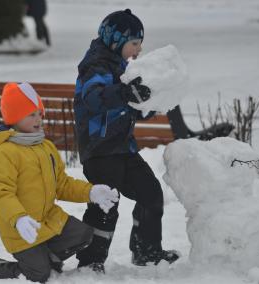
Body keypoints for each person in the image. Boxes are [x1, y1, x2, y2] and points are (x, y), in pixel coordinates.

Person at [0, 82, 119, 282]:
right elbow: (1, 194)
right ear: (14, 117)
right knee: (40, 275)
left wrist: (90, 192)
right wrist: (19, 218)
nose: (38, 119)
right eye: (31, 114)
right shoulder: (6, 153)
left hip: (48, 221)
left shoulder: (45, 147)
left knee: (83, 234)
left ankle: (43, 260)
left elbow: (62, 184)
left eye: (39, 113)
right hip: (21, 229)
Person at [73, 9, 180, 273]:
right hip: (99, 151)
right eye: (134, 43)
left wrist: (146, 105)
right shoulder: (95, 65)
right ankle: (90, 261)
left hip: (122, 149)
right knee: (105, 205)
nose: (139, 49)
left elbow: (124, 104)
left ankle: (147, 251)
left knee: (151, 193)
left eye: (140, 43)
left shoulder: (121, 67)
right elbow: (94, 98)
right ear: (115, 40)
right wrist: (124, 92)